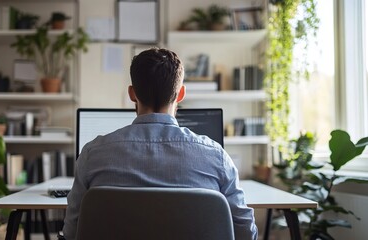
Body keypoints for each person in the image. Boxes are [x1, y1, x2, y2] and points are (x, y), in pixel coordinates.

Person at [63, 47, 258, 240]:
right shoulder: (217, 157)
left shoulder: (92, 154)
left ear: (132, 93)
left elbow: (72, 233)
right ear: (180, 94)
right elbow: (245, 234)